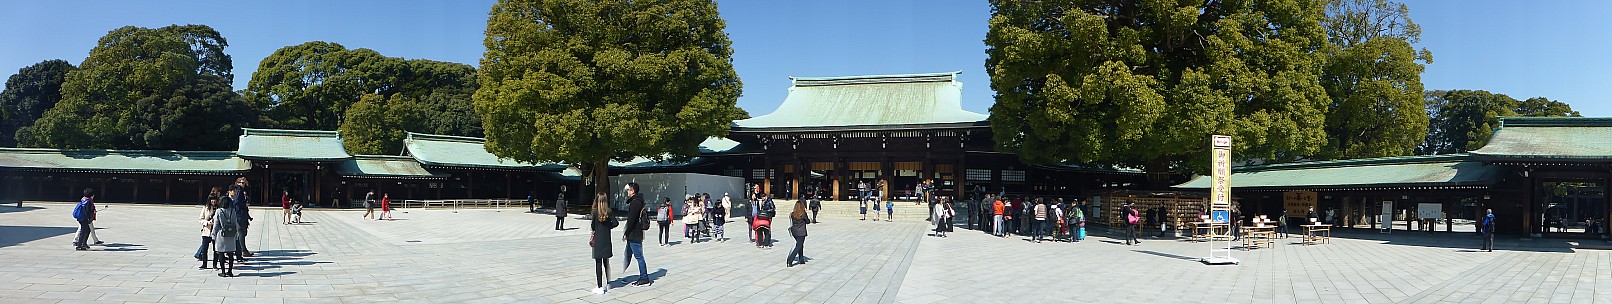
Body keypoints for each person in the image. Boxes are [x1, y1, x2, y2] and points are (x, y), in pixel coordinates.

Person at [620, 182, 652, 286]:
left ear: (633, 191)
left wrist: (626, 232)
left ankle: (644, 278)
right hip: (634, 233)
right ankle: (626, 276)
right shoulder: (636, 201)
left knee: (639, 256)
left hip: (634, 233)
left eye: (628, 190)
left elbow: (632, 220)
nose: (627, 192)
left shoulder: (635, 202)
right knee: (628, 254)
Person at [589, 193, 619, 294]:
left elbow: (593, 226)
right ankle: (608, 283)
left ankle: (599, 286)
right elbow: (615, 223)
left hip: (598, 241)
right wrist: (608, 227)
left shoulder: (595, 213)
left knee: (598, 264)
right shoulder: (609, 211)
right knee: (606, 262)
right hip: (606, 240)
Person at [213, 187, 242, 277]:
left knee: (221, 253)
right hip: (231, 234)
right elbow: (235, 222)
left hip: (221, 234)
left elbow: (216, 225)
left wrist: (213, 235)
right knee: (230, 254)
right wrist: (236, 234)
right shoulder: (233, 211)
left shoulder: (218, 211)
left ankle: (223, 271)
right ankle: (230, 271)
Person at [231, 178, 255, 259]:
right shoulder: (239, 190)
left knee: (241, 233)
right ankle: (243, 250)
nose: (242, 184)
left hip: (241, 214)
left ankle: (239, 250)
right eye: (241, 182)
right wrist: (244, 205)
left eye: (244, 183)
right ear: (237, 183)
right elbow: (237, 202)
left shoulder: (239, 191)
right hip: (240, 215)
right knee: (241, 233)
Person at [195, 188, 220, 268]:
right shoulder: (205, 208)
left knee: (215, 249)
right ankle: (204, 264)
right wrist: (207, 222)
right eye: (212, 200)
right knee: (205, 248)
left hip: (215, 231)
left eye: (214, 200)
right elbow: (200, 219)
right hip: (207, 230)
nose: (213, 201)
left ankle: (215, 264)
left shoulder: (219, 209)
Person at [786, 199, 810, 267]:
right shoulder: (803, 214)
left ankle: (801, 259)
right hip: (801, 232)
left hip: (794, 232)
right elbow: (807, 221)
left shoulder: (792, 214)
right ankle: (790, 259)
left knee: (800, 244)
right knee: (798, 246)